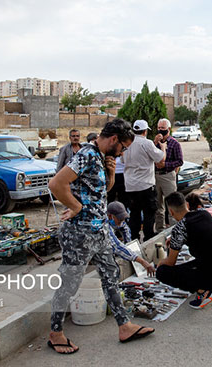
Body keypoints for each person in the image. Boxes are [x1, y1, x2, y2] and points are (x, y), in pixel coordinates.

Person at [47, 119, 154, 354]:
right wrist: (74, 206)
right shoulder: (87, 154)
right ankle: (55, 333)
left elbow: (96, 192)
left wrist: (111, 175)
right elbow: (56, 184)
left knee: (110, 275)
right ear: (114, 139)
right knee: (70, 282)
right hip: (79, 233)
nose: (123, 152)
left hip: (99, 230)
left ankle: (124, 326)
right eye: (123, 147)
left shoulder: (101, 157)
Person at [156, 192, 212, 309]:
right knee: (197, 262)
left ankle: (203, 289)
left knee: (162, 272)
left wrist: (160, 263)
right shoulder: (204, 214)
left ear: (171, 212)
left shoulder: (180, 228)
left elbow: (171, 262)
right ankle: (205, 283)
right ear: (187, 205)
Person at [123, 120, 166, 241]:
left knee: (134, 214)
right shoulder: (146, 143)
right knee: (149, 214)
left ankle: (134, 239)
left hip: (131, 186)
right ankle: (148, 239)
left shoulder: (127, 144)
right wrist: (163, 148)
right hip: (146, 185)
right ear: (145, 131)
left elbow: (122, 161)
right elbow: (160, 158)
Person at [106, 201, 155, 276]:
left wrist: (128, 246)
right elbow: (117, 246)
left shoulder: (119, 221)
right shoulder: (104, 226)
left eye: (122, 220)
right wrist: (141, 261)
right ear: (110, 216)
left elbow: (125, 231)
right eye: (119, 220)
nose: (121, 223)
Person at [154, 118, 183, 231]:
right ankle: (160, 229)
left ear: (169, 129)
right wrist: (155, 143)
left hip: (167, 176)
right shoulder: (155, 143)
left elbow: (180, 161)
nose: (160, 130)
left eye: (163, 128)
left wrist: (165, 165)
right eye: (159, 128)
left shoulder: (174, 144)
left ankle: (174, 229)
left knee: (172, 204)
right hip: (155, 176)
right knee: (158, 206)